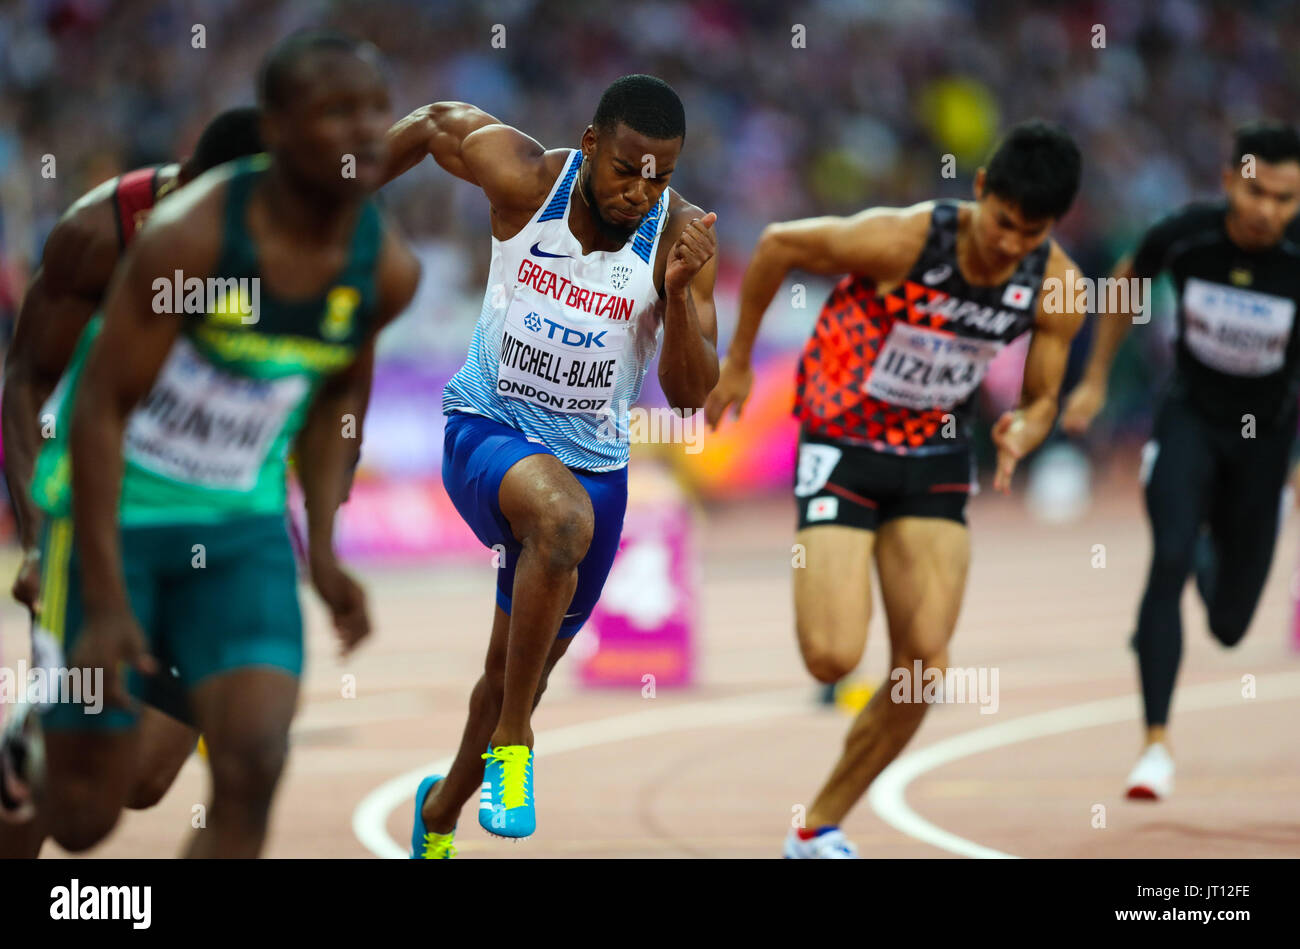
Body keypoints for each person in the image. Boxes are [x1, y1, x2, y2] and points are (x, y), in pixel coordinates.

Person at [3, 30, 419, 858]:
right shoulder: (175, 237)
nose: (368, 131)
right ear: (281, 129)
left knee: (250, 761)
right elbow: (87, 407)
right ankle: (32, 742)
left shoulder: (384, 267)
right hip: (118, 514)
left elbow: (337, 402)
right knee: (87, 815)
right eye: (338, 113)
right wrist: (69, 563)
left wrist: (327, 552)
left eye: (376, 109)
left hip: (240, 528)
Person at [706, 121, 1086, 858]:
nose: (1010, 244)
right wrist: (741, 358)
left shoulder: (1057, 285)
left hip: (936, 457)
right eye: (1003, 222)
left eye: (1030, 232)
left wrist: (1027, 428)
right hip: (843, 443)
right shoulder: (907, 240)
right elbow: (782, 242)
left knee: (925, 668)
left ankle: (817, 826)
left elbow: (1041, 397)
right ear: (980, 191)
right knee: (831, 657)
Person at [381, 74, 718, 856]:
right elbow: (435, 122)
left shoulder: (679, 238)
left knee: (513, 672)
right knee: (560, 521)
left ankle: (439, 813)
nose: (641, 191)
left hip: (596, 466)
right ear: (592, 144)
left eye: (660, 176)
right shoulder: (528, 179)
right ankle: (514, 744)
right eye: (627, 168)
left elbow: (691, 393)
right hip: (487, 429)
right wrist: (335, 194)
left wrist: (675, 298)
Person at [0, 109, 264, 858]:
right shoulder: (101, 232)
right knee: (68, 780)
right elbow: (24, 384)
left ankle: (31, 732)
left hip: (197, 524)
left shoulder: (281, 236)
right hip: (89, 517)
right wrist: (33, 538)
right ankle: (32, 741)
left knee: (142, 779)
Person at [1061, 121, 1300, 801]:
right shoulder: (1188, 234)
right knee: (1165, 557)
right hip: (1190, 418)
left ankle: (1207, 549)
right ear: (1230, 180)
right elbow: (1126, 280)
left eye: (1285, 199)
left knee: (1228, 625)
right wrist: (1099, 376)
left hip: (1265, 440)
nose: (1267, 211)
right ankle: (1155, 748)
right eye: (1256, 191)